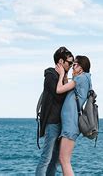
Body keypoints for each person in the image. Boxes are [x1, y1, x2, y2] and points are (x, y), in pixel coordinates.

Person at [36, 47, 74, 176]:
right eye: (69, 63)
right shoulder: (51, 76)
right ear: (60, 62)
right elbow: (59, 96)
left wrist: (64, 78)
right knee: (46, 158)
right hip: (52, 122)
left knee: (56, 159)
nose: (71, 65)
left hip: (61, 123)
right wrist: (62, 77)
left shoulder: (62, 77)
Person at [55, 55, 92, 176]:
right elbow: (68, 90)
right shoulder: (82, 79)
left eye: (74, 65)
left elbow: (59, 90)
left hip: (71, 124)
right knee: (63, 160)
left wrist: (61, 74)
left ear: (81, 68)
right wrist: (66, 77)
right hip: (70, 124)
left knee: (64, 160)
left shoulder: (81, 79)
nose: (72, 67)